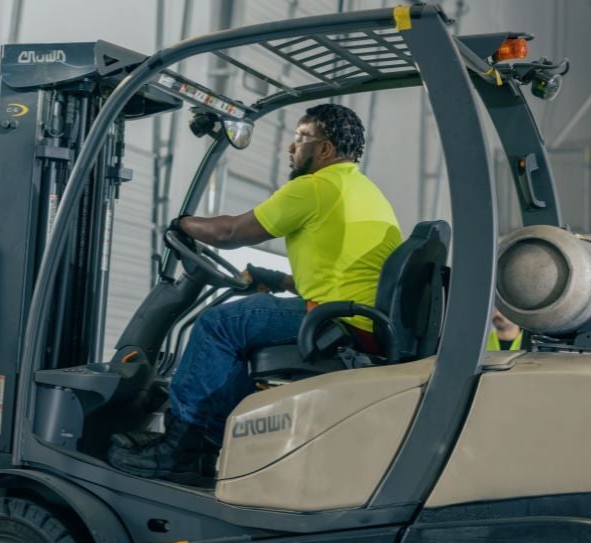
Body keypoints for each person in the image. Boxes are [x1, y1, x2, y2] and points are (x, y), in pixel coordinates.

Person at [109, 103, 403, 485]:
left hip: (335, 320)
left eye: (301, 138)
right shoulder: (364, 189)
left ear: (326, 150)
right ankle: (213, 442)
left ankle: (179, 450)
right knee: (241, 324)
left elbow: (229, 233)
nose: (290, 147)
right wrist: (274, 279)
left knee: (219, 325)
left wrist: (182, 223)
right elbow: (341, 270)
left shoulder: (315, 186)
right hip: (358, 317)